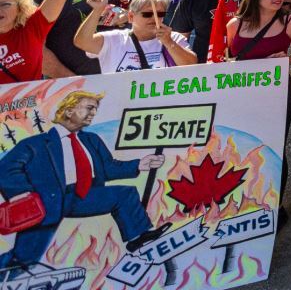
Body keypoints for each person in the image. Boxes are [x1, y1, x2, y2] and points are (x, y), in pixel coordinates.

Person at [0, 91, 170, 269]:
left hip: (84, 195)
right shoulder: (36, 143)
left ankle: (139, 237)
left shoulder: (92, 139)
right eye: (89, 108)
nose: (93, 113)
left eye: (95, 109)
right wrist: (24, 194)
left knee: (124, 194)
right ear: (68, 111)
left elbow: (108, 167)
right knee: (23, 259)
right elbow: (5, 168)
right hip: (47, 202)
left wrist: (139, 164)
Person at [73, 0, 197, 73]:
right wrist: (97, 10)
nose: (154, 18)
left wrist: (169, 43)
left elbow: (192, 67)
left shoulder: (173, 38)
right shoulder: (115, 38)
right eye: (147, 14)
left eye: (160, 14)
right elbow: (82, 42)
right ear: (131, 17)